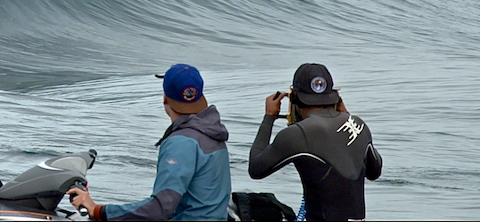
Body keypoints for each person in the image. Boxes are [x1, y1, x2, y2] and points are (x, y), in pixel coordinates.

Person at [67, 64, 232, 221]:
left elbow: (160, 208)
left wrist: (99, 210)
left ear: (165, 98)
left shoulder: (181, 142)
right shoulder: (213, 133)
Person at [248, 63, 382, 221]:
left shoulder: (296, 134)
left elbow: (256, 168)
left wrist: (269, 117)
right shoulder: (358, 124)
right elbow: (375, 172)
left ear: (294, 97)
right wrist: (346, 115)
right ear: (335, 97)